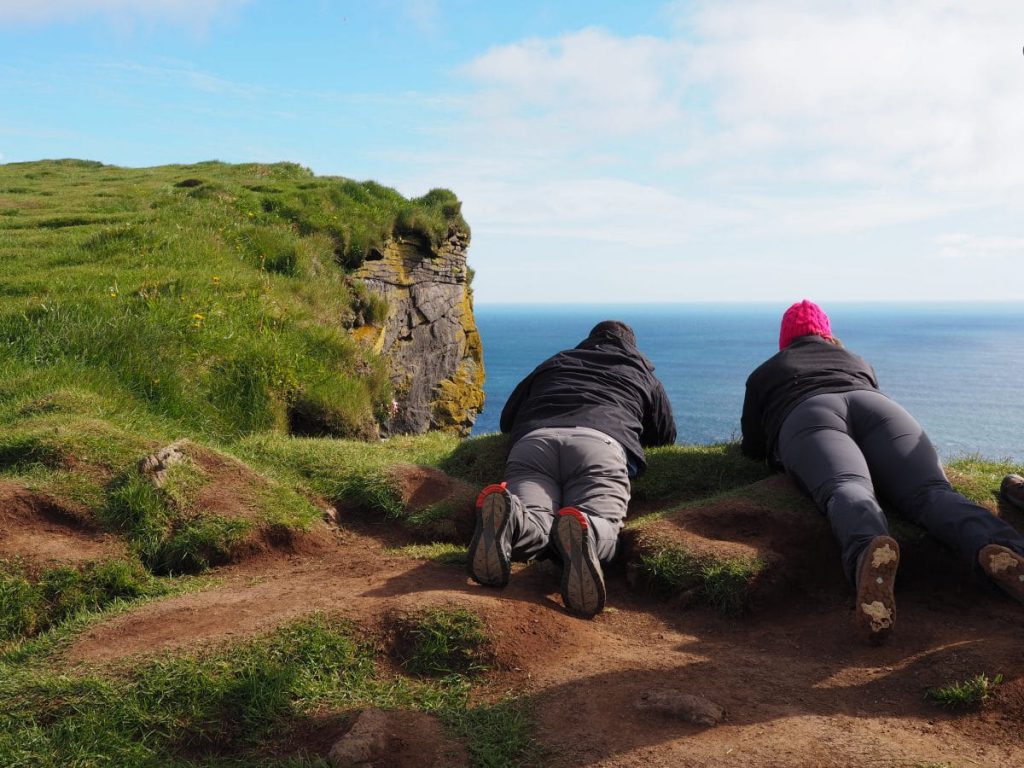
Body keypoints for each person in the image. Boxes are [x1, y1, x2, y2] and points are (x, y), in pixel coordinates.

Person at [741, 300, 1024, 644]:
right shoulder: (857, 361)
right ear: (828, 334)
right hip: (878, 408)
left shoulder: (766, 372)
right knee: (931, 493)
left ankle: (869, 552)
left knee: (847, 486)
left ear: (785, 339)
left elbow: (753, 446)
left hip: (808, 413)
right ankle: (1003, 547)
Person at [468, 320, 677, 618]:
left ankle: (512, 518)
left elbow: (507, 418)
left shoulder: (556, 361)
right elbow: (665, 435)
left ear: (588, 340)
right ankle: (587, 530)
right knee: (600, 523)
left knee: (537, 520)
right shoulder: (642, 373)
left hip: (534, 443)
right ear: (632, 347)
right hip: (598, 446)